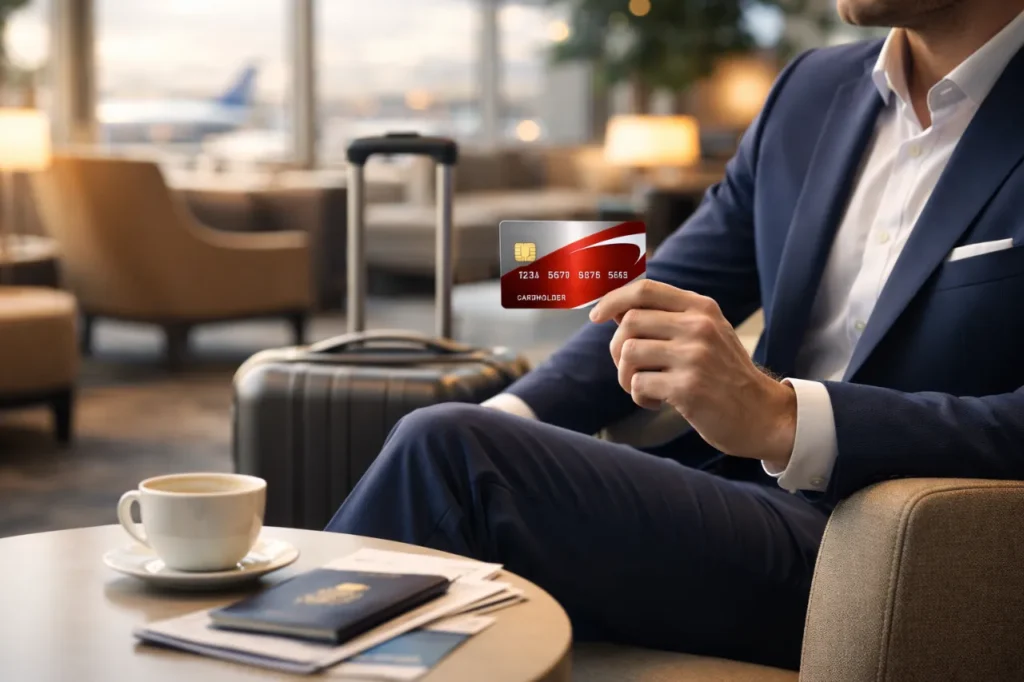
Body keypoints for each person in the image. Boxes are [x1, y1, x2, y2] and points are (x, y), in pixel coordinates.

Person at [326, 0, 1024, 670]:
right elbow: (661, 290)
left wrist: (784, 417)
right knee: (451, 452)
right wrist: (516, 415)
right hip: (734, 503)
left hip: (891, 549)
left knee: (450, 449)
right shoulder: (811, 91)